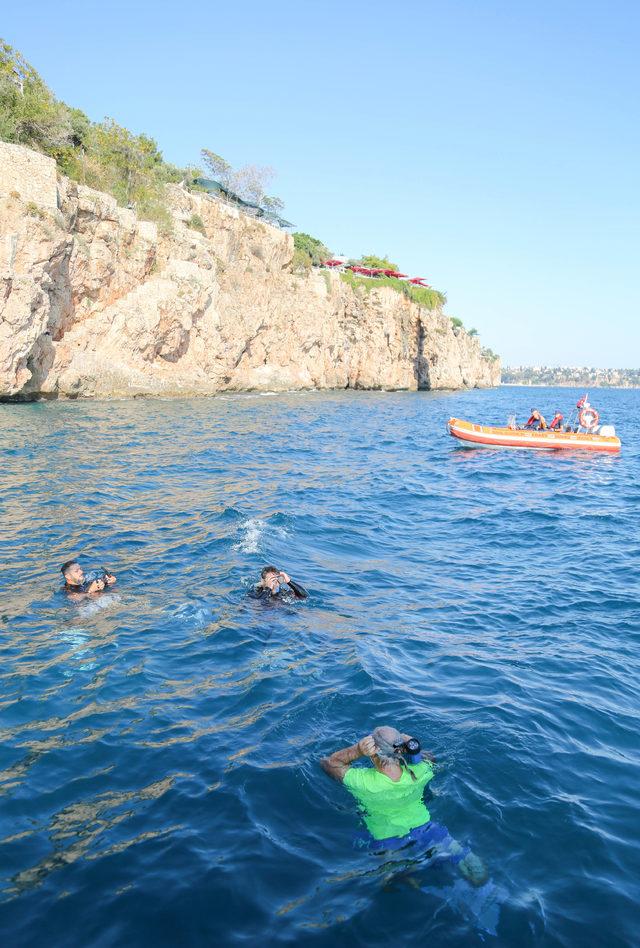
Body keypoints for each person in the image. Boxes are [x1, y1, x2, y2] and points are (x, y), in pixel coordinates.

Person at [320, 725, 488, 886]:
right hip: (428, 830)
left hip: (388, 842)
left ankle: (407, 876)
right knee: (471, 864)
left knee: (391, 876)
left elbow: (328, 763)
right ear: (401, 749)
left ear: (372, 754)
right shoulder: (422, 770)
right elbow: (430, 758)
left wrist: (357, 750)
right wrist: (411, 743)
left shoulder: (361, 781)